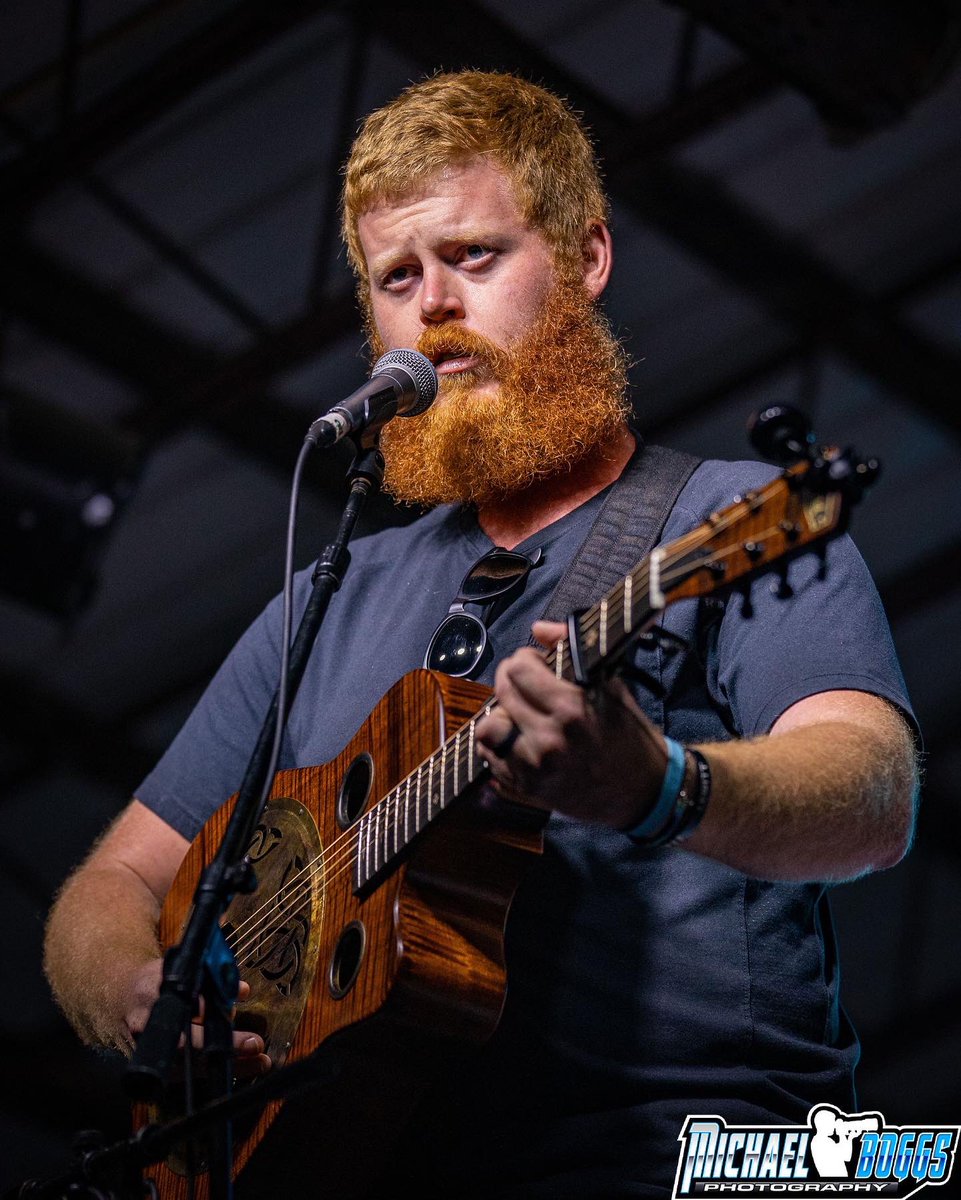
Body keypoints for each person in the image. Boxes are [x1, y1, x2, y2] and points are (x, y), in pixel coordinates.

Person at [44, 71, 918, 1198]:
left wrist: (658, 786)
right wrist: (142, 998)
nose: (433, 307)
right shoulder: (326, 594)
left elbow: (871, 789)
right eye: (396, 278)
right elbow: (109, 883)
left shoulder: (722, 519)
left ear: (587, 260)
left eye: (474, 256)